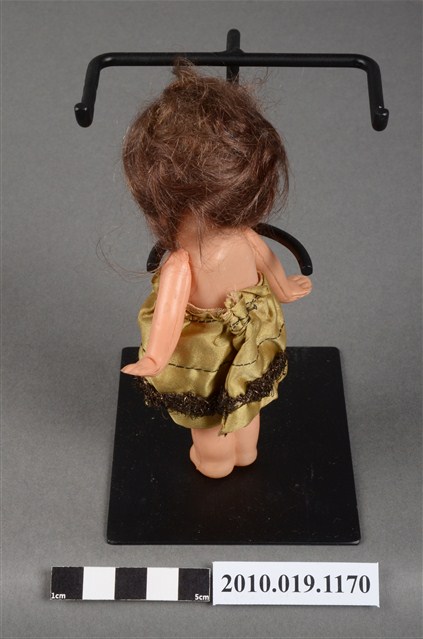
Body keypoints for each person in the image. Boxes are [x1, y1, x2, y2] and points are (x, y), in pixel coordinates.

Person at [120, 62, 312, 478]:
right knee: (246, 400)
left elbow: (169, 316)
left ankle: (215, 462)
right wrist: (284, 289)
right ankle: (245, 452)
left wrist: (155, 358)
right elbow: (269, 264)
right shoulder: (245, 235)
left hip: (205, 349)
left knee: (208, 413)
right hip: (251, 334)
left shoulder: (181, 261)